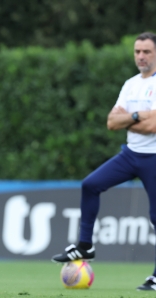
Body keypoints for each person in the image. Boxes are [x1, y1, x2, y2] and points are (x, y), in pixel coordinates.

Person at [51, 31, 156, 291]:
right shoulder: (131, 84)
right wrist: (139, 115)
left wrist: (131, 120)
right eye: (137, 51)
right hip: (131, 154)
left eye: (147, 52)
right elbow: (111, 122)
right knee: (90, 184)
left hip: (154, 158)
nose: (141, 56)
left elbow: (154, 126)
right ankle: (85, 246)